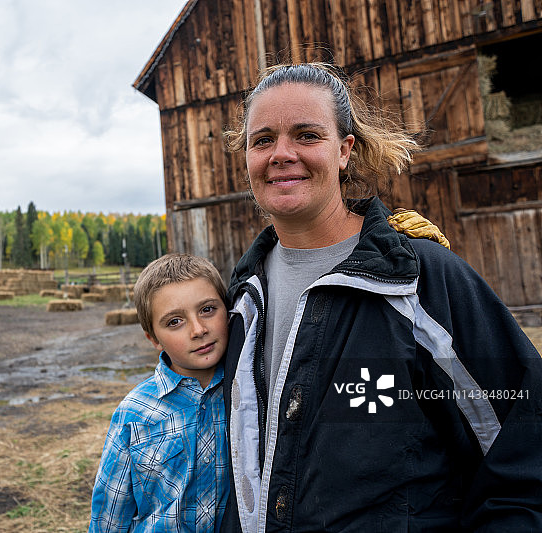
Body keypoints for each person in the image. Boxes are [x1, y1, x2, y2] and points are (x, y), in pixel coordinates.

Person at [220, 62, 542, 532]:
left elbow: (523, 454)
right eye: (262, 139)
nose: (281, 154)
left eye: (307, 135)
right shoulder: (240, 299)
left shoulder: (420, 281)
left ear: (345, 150)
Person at [89, 253, 230, 532]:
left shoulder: (248, 392)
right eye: (174, 322)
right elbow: (110, 515)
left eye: (207, 310)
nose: (198, 330)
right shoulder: (134, 413)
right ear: (153, 338)